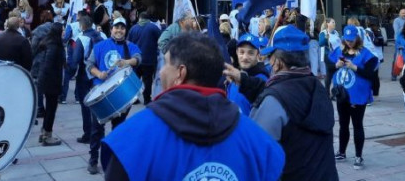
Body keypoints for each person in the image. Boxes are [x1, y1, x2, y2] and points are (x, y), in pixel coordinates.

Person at [101, 32, 285, 180]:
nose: (161, 71)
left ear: (180, 73)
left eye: (165, 63)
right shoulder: (262, 144)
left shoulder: (130, 140)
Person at [238, 25, 338, 181]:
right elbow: (290, 97)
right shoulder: (316, 86)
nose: (269, 62)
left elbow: (256, 154)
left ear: (277, 61)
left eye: (270, 56)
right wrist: (244, 81)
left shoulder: (274, 100)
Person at [85, 18, 141, 174]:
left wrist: (127, 62)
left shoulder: (130, 46)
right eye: (117, 27)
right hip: (100, 92)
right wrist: (99, 74)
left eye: (122, 28)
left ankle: (114, 160)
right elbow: (89, 65)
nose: (119, 30)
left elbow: (138, 59)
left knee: (118, 130)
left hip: (122, 94)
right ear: (111, 29)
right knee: (96, 130)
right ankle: (93, 159)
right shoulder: (99, 46)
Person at [329, 24, 378, 169]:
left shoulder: (365, 53)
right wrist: (336, 65)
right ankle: (342, 151)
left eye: (352, 39)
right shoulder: (339, 51)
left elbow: (371, 74)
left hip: (358, 96)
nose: (349, 42)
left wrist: (354, 67)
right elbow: (329, 67)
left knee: (357, 125)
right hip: (341, 94)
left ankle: (358, 156)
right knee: (343, 124)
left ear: (357, 38)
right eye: (347, 39)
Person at [73, 16, 106, 145]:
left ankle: (88, 133)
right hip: (98, 73)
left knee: (85, 105)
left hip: (84, 74)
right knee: (98, 103)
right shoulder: (101, 36)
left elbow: (76, 59)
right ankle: (99, 132)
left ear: (81, 26)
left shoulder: (81, 38)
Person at [34, 23, 64, 146]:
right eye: (62, 30)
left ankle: (44, 132)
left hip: (46, 80)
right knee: (51, 109)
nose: (63, 33)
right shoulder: (54, 45)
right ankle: (47, 135)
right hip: (51, 81)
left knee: (50, 108)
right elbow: (49, 63)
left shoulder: (47, 42)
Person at [226, 34, 269, 115]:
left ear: (258, 55)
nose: (245, 57)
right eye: (242, 52)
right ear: (237, 52)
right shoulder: (234, 77)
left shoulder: (262, 81)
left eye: (251, 53)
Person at [127, 11, 161, 105]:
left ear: (139, 18)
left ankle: (134, 99)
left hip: (135, 60)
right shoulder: (153, 28)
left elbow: (127, 43)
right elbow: (161, 39)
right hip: (149, 59)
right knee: (148, 80)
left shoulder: (133, 28)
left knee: (135, 79)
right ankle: (146, 99)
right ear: (148, 19)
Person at [319, 17, 341, 91]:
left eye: (334, 22)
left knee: (336, 73)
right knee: (330, 72)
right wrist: (325, 38)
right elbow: (320, 43)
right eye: (332, 22)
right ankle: (327, 91)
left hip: (337, 55)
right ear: (327, 23)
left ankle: (335, 91)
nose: (334, 24)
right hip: (328, 55)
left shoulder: (336, 32)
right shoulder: (323, 33)